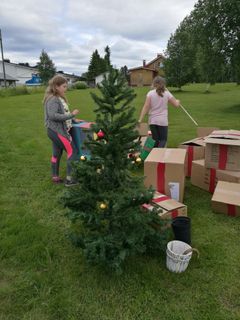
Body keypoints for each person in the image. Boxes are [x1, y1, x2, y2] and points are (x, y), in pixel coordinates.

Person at [43, 75, 79, 186]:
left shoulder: (58, 98)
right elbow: (53, 116)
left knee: (56, 153)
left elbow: (62, 113)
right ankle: (70, 180)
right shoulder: (53, 99)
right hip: (57, 131)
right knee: (73, 152)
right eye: (64, 86)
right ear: (56, 86)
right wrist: (70, 115)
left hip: (54, 130)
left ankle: (55, 177)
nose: (65, 88)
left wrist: (72, 118)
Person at [138, 76, 180, 147]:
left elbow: (146, 106)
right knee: (163, 140)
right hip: (162, 121)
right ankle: (157, 155)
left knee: (156, 141)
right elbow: (176, 105)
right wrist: (178, 101)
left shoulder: (150, 93)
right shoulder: (167, 94)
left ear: (154, 84)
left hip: (152, 121)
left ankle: (154, 155)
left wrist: (140, 119)